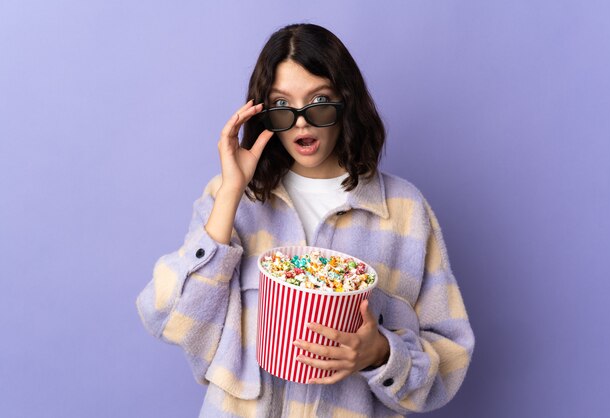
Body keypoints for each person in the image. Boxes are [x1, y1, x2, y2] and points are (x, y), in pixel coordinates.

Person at [136, 23, 475, 417]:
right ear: (264, 114)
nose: (301, 122)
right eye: (283, 106)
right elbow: (172, 319)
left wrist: (380, 352)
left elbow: (450, 356)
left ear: (345, 103)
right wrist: (231, 192)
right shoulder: (232, 200)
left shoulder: (404, 211)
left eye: (319, 102)